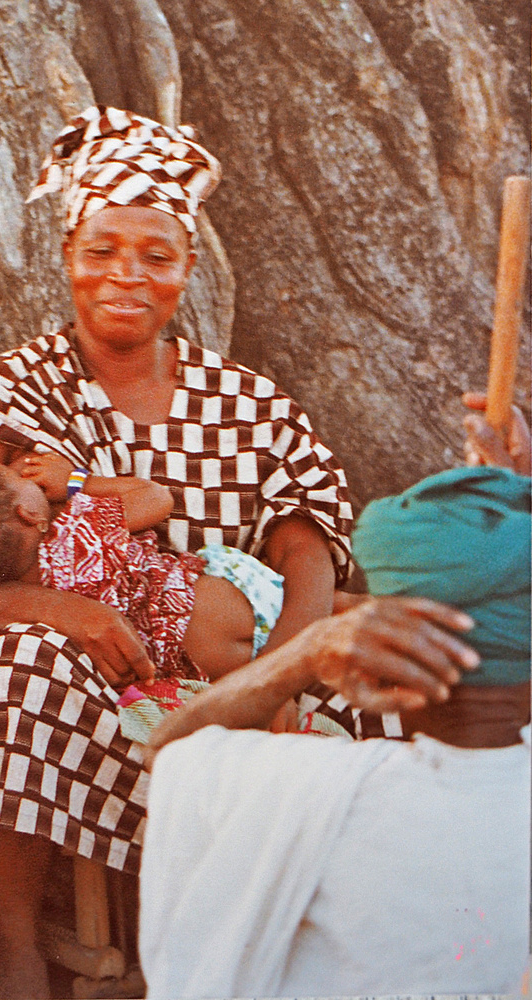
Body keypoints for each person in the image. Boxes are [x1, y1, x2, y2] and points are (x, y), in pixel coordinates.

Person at [0, 104, 479, 998]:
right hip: (81, 665)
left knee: (425, 652)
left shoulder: (242, 395)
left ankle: (373, 913)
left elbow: (306, 542)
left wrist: (289, 665)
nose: (125, 276)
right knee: (7, 667)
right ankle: (14, 942)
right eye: (100, 251)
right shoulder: (7, 390)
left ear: (187, 269)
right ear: (66, 258)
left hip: (239, 642)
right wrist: (69, 611)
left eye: (156, 255)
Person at [138, 401, 531, 998]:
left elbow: (171, 748)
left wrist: (303, 653)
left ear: (387, 656)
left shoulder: (322, 793)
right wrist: (514, 515)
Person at [0, 453, 284, 682]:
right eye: (15, 477)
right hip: (237, 596)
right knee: (332, 610)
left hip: (196, 664)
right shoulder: (80, 527)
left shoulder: (18, 602)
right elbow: (156, 498)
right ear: (27, 512)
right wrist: (74, 482)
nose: (26, 473)